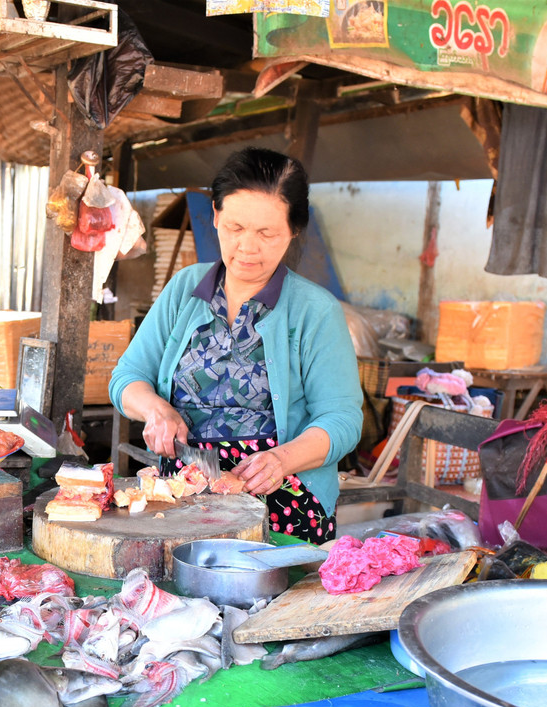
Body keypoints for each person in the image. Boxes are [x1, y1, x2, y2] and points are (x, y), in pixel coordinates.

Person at [109, 147, 363, 542]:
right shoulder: (184, 290)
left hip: (284, 504)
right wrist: (155, 410)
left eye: (267, 233)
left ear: (294, 229)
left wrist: (281, 460)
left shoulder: (316, 312)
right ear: (214, 215)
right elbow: (128, 377)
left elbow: (342, 420)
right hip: (180, 497)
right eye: (235, 227)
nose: (247, 247)